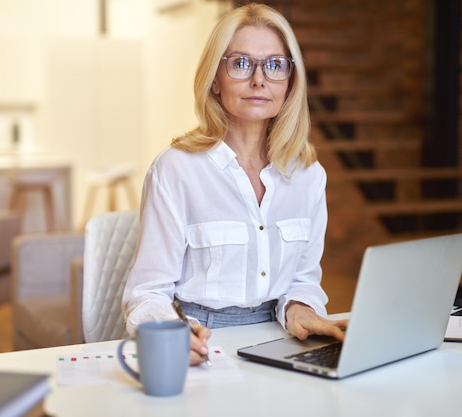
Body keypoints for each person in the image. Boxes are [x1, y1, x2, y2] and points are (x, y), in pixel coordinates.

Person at [121, 2, 348, 366]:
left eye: (275, 65)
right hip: (200, 340)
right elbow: (147, 292)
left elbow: (304, 280)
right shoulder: (177, 169)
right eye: (241, 63)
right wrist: (171, 333)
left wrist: (303, 309)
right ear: (215, 78)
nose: (259, 80)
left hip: (282, 339)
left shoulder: (308, 174)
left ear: (290, 81)